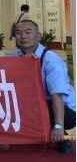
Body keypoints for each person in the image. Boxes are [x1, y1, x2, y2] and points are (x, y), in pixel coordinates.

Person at [13, 19, 75, 153]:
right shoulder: (15, 57)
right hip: (36, 105)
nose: (23, 36)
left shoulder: (50, 59)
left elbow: (57, 95)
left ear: (39, 36)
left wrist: (58, 125)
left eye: (28, 32)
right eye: (18, 32)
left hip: (64, 109)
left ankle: (60, 135)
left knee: (35, 108)